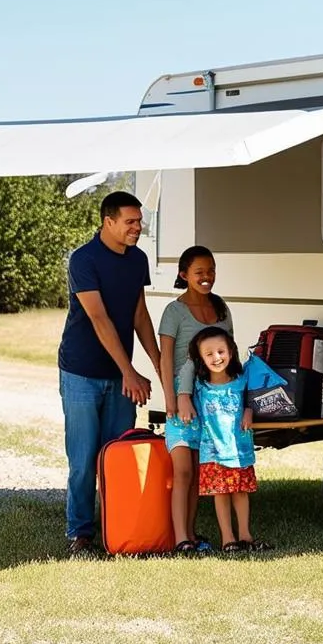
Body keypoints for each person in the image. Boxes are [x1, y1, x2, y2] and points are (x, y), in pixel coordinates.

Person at [58, 191, 162, 556]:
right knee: (85, 459)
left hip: (120, 375)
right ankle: (81, 534)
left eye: (139, 221)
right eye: (131, 222)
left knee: (118, 455)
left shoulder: (138, 261)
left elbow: (139, 316)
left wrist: (160, 366)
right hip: (82, 372)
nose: (138, 227)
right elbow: (99, 319)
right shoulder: (83, 260)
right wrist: (129, 373)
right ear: (109, 222)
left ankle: (118, 528)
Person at [158, 245, 233, 554]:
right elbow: (165, 359)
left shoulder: (222, 308)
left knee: (201, 471)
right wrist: (172, 400)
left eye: (211, 271)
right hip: (183, 396)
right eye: (200, 272)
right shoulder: (173, 311)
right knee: (183, 471)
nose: (207, 277)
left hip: (213, 398)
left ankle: (190, 534)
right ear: (184, 275)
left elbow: (230, 352)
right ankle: (180, 539)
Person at [188, 326, 272, 553]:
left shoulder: (241, 380)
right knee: (221, 493)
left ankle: (245, 535)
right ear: (201, 359)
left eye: (221, 351)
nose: (216, 358)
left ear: (231, 352)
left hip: (239, 449)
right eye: (209, 354)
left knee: (240, 491)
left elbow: (254, 399)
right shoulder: (199, 386)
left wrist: (249, 410)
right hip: (213, 451)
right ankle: (228, 538)